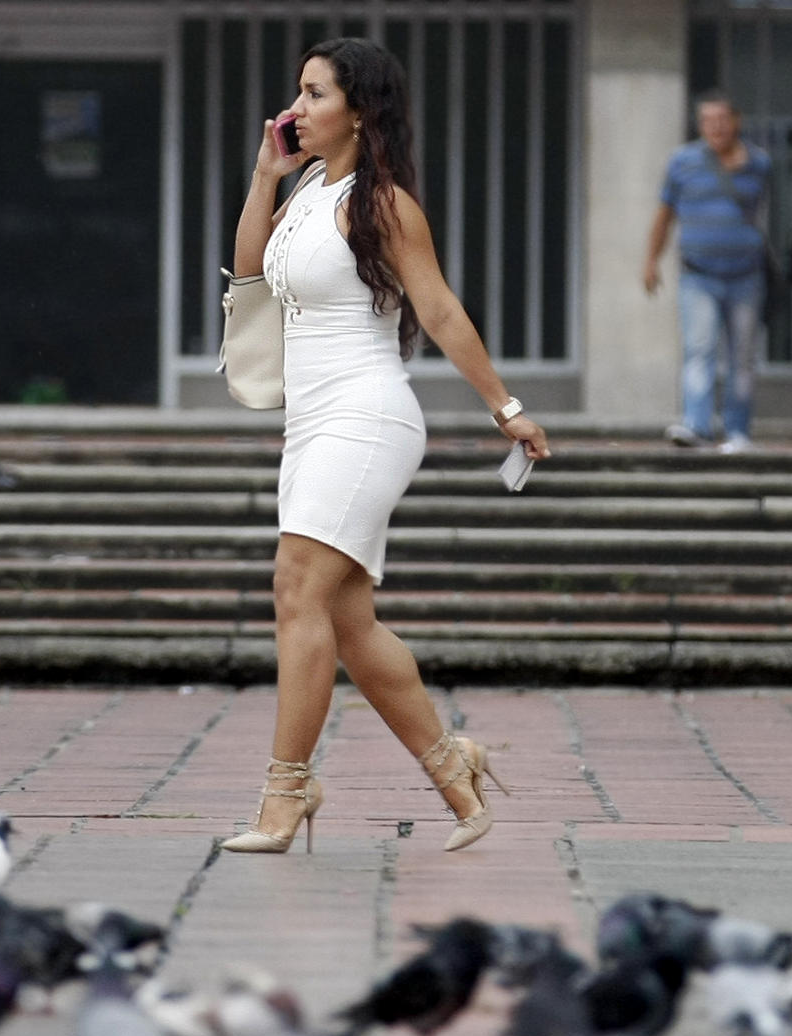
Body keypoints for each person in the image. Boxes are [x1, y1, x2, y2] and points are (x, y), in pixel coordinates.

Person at [223, 37, 551, 856]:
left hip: (369, 417)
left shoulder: (385, 203)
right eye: (297, 92)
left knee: (295, 587)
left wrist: (504, 407)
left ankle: (285, 794)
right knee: (348, 622)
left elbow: (437, 310)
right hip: (309, 422)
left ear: (359, 111)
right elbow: (252, 276)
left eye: (314, 94)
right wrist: (265, 177)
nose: (295, 108)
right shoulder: (303, 190)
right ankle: (453, 767)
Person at [644, 91, 771, 454]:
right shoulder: (682, 162)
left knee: (743, 357)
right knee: (699, 350)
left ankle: (738, 431)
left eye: (722, 119)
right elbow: (664, 214)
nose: (715, 127)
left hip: (746, 274)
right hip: (698, 273)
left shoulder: (758, 163)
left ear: (736, 121)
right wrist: (651, 260)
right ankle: (697, 426)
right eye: (707, 120)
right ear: (699, 126)